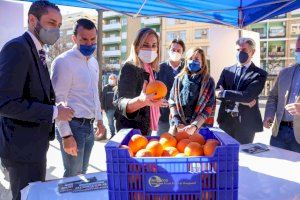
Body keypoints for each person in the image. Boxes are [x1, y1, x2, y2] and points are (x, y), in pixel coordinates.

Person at [0, 1, 74, 199]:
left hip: (33, 147)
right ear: (32, 20)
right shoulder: (17, 48)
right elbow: (6, 103)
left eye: (58, 25)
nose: (56, 30)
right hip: (21, 150)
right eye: (51, 22)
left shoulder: (37, 51)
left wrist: (54, 106)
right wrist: (55, 112)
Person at [51, 18, 106, 177]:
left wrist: (99, 120)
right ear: (74, 38)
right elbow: (58, 101)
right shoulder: (63, 62)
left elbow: (94, 93)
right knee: (72, 175)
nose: (89, 44)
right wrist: (66, 135)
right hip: (73, 127)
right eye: (84, 39)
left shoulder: (94, 62)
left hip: (89, 127)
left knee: (84, 172)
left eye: (93, 39)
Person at [114, 27, 168, 136]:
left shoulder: (149, 69)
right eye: (145, 45)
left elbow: (148, 100)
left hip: (144, 130)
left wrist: (156, 100)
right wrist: (141, 101)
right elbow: (120, 103)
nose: (150, 49)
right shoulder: (130, 67)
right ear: (136, 46)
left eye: (154, 45)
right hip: (131, 133)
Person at [216, 37, 268, 144]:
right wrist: (241, 99)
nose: (240, 53)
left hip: (246, 124)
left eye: (243, 50)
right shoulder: (227, 71)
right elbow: (217, 92)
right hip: (225, 121)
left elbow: (248, 96)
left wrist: (225, 93)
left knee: (243, 156)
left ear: (252, 52)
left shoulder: (259, 74)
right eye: (238, 50)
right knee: (225, 154)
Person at [264, 36, 300, 153]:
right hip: (279, 131)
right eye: (298, 49)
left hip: (298, 136)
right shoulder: (284, 72)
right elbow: (273, 97)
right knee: (275, 166)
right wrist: (269, 115)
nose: (298, 53)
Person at [169, 47, 216, 135]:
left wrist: (194, 125)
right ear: (186, 61)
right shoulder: (179, 79)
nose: (192, 61)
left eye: (196, 59)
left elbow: (209, 107)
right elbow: (172, 102)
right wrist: (178, 123)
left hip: (199, 127)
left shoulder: (208, 81)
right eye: (190, 59)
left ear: (202, 63)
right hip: (179, 128)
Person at [156, 39, 185, 135]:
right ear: (169, 51)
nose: (175, 52)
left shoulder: (186, 69)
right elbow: (154, 88)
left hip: (183, 116)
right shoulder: (159, 68)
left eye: (178, 51)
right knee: (162, 142)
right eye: (173, 50)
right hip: (163, 114)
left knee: (181, 144)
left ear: (182, 53)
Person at [101, 74, 117, 139]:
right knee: (110, 123)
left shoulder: (118, 87)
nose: (111, 80)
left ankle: (118, 135)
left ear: (116, 79)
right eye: (110, 78)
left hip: (117, 109)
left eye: (113, 78)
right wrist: (102, 108)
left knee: (118, 123)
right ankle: (113, 134)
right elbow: (103, 98)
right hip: (109, 109)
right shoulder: (106, 88)